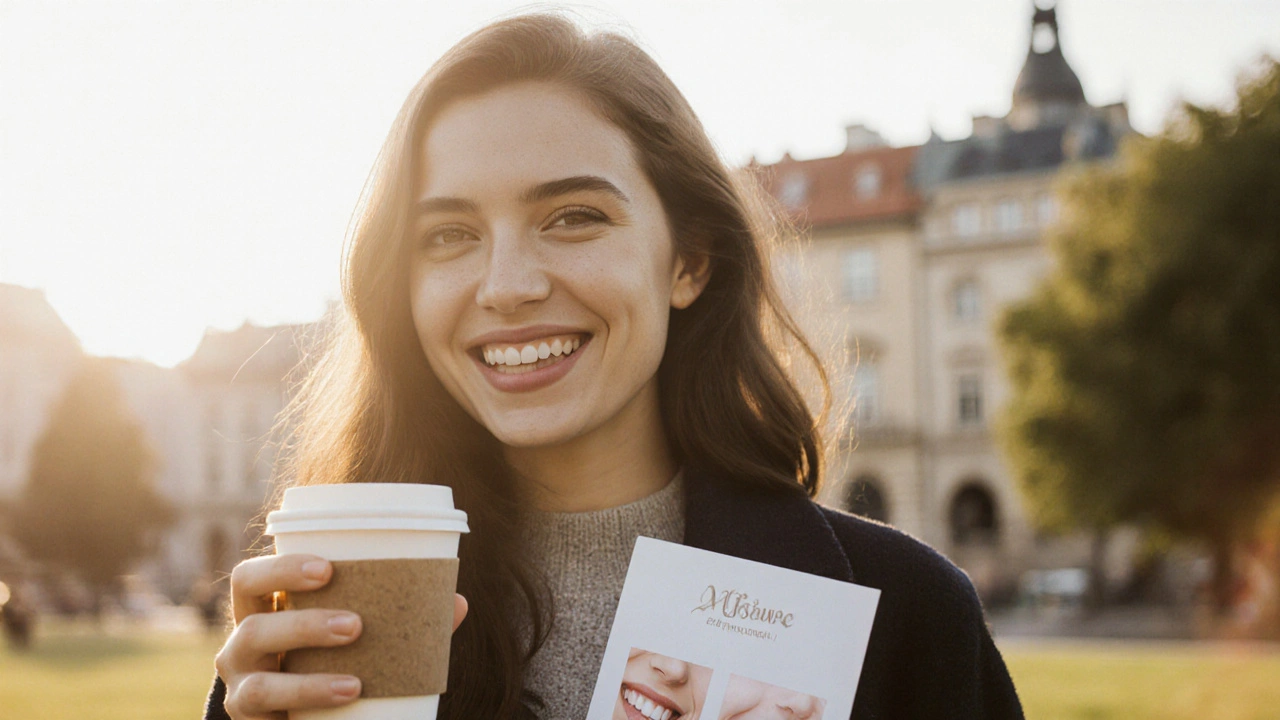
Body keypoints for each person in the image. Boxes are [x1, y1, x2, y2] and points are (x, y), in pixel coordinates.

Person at [205, 13, 1023, 720]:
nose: (509, 287)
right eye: (449, 235)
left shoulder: (908, 618)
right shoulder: (323, 623)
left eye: (573, 217)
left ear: (689, 259)